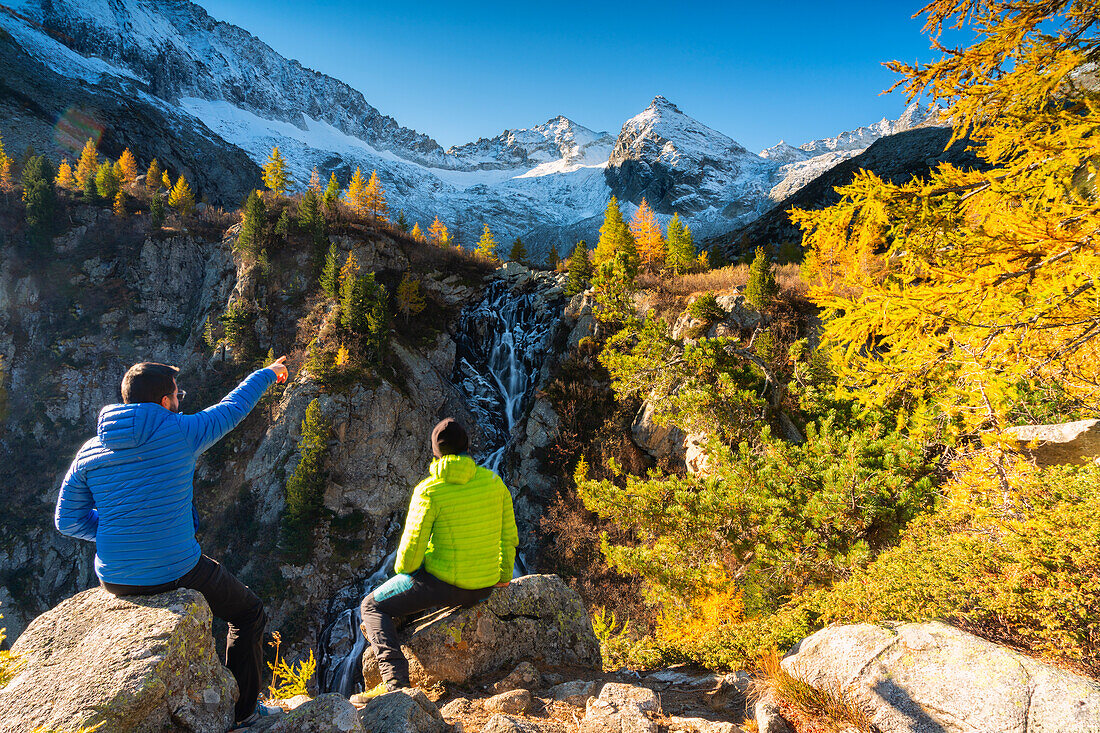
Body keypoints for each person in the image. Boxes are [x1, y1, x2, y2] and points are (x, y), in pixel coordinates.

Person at [55, 357, 289, 727]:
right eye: (178, 395)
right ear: (165, 401)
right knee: (247, 613)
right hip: (177, 569)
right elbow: (232, 408)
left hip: (115, 578)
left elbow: (67, 521)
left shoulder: (89, 452)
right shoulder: (182, 431)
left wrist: (116, 527)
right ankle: (243, 712)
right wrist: (267, 374)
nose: (181, 400)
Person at [359, 418, 519, 691]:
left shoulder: (429, 490)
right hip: (484, 586)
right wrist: (502, 576)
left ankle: (395, 683)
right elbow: (509, 539)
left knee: (371, 606)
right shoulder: (495, 482)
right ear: (468, 448)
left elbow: (408, 560)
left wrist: (409, 573)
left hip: (442, 587)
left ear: (436, 452)